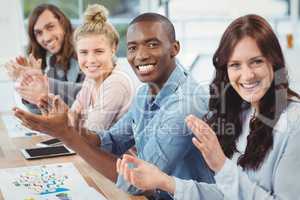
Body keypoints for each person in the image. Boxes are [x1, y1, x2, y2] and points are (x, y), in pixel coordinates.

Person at [13, 12, 214, 199]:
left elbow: (138, 181)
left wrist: (68, 134)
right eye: (133, 47)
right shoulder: (146, 91)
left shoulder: (184, 105)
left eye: (152, 44)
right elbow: (111, 140)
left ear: (175, 48)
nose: (141, 55)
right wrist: (70, 126)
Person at [116, 14, 300, 200]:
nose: (247, 75)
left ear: (274, 61)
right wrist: (163, 181)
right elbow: (227, 195)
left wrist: (221, 165)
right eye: (235, 65)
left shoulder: (294, 123)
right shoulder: (244, 115)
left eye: (256, 61)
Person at [39, 4, 133, 132]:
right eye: (83, 52)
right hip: (95, 151)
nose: (91, 60)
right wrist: (58, 112)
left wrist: (63, 119)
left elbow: (91, 133)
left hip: (118, 152)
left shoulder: (116, 83)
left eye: (99, 51)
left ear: (113, 48)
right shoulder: (91, 79)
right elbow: (73, 117)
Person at [5, 4, 84, 113]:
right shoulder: (53, 63)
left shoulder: (86, 52)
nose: (46, 38)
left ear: (63, 24)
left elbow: (89, 95)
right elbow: (41, 112)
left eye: (50, 27)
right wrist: (28, 81)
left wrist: (44, 83)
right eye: (39, 33)